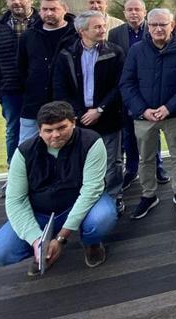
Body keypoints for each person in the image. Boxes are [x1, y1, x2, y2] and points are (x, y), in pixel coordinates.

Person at [0, 101, 116, 272]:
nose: (55, 135)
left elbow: (91, 190)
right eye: (48, 130)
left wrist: (61, 238)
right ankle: (43, 251)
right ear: (39, 131)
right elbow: (16, 201)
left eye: (62, 127)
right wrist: (36, 240)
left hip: (78, 203)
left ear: (74, 123)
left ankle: (91, 243)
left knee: (103, 218)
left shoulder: (91, 142)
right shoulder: (24, 152)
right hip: (40, 212)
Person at [120, 8, 176, 219]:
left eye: (163, 24)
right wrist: (142, 110)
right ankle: (149, 195)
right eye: (153, 24)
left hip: (173, 114)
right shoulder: (137, 50)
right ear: (148, 25)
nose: (158, 29)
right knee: (146, 157)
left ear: (172, 25)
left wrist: (169, 107)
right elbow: (127, 83)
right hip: (144, 116)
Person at [52, 11, 126, 215]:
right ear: (81, 31)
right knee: (81, 161)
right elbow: (60, 87)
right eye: (97, 27)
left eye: (103, 26)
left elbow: (120, 85)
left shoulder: (115, 52)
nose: (103, 30)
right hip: (78, 120)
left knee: (113, 161)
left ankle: (112, 199)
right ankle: (86, 201)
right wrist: (76, 113)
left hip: (108, 116)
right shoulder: (67, 54)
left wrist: (100, 109)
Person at [0, 0, 41, 197]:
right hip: (11, 88)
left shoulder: (42, 21)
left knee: (48, 129)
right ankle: (15, 178)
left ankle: (44, 174)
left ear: (30, 0)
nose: (16, 2)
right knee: (14, 131)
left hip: (40, 87)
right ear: (6, 1)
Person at [108, 0, 170, 188]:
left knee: (152, 132)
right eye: (129, 10)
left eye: (137, 9)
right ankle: (132, 168)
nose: (133, 13)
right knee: (129, 132)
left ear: (145, 12)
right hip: (127, 91)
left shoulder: (153, 29)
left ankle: (157, 166)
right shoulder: (115, 33)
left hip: (151, 90)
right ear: (124, 13)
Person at [17, 0, 77, 144]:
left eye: (53, 9)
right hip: (34, 104)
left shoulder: (76, 35)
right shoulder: (29, 35)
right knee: (27, 148)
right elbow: (21, 68)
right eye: (44, 9)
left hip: (67, 104)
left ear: (64, 9)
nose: (48, 13)